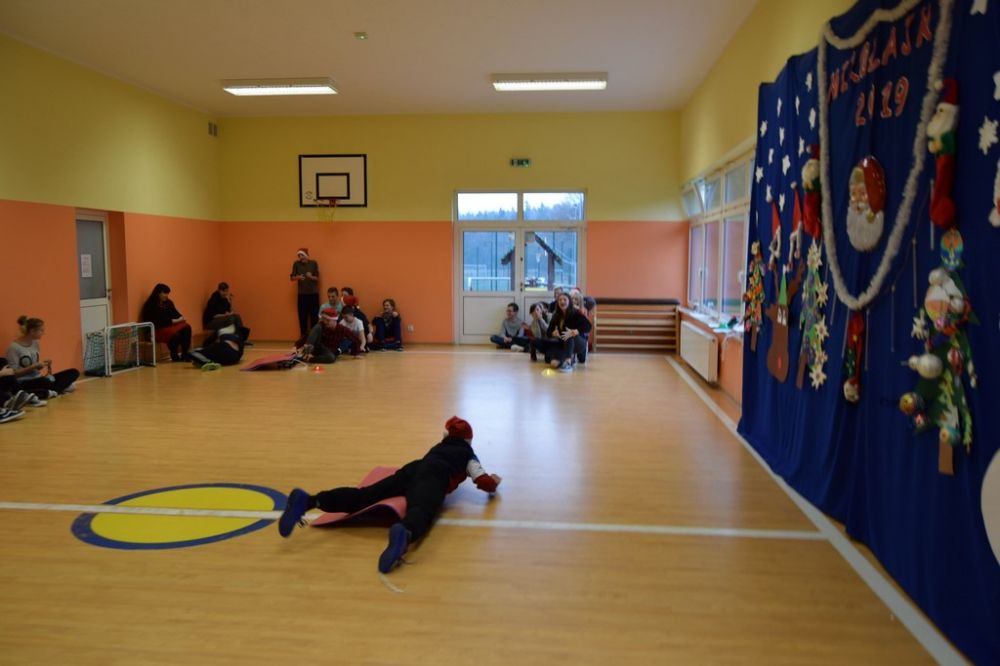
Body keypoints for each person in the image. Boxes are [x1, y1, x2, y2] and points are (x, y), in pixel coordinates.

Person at [278, 416, 501, 574]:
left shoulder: (439, 445)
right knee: (421, 510)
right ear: (469, 440)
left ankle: (310, 500)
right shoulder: (468, 454)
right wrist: (494, 482)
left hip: (412, 469)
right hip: (434, 478)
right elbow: (483, 482)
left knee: (363, 495)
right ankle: (404, 532)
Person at [6, 316, 81, 394]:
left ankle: (50, 391)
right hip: (24, 382)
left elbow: (36, 368)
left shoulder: (35, 343)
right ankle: (55, 390)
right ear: (32, 331)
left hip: (39, 378)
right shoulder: (13, 347)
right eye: (41, 330)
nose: (43, 333)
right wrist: (33, 367)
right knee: (47, 382)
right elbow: (14, 374)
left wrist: (42, 365)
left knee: (74, 372)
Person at [140, 283, 192, 361]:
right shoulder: (150, 304)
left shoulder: (168, 302)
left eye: (167, 293)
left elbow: (176, 314)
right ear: (158, 293)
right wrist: (177, 320)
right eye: (164, 293)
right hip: (156, 329)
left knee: (187, 327)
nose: (166, 295)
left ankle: (185, 354)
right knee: (175, 335)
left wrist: (181, 317)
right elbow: (160, 322)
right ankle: (174, 355)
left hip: (168, 326)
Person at [541, 292, 592, 371]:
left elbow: (588, 326)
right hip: (564, 343)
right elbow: (548, 332)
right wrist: (552, 333)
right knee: (550, 361)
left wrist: (576, 331)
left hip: (579, 342)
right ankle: (570, 358)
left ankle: (568, 362)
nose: (562, 301)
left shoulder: (575, 313)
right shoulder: (556, 316)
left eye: (565, 299)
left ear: (569, 302)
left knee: (568, 335)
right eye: (560, 300)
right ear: (558, 303)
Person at [298, 306, 364, 362]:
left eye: (328, 320)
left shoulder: (342, 329)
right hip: (316, 347)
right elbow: (309, 334)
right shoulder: (322, 325)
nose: (325, 322)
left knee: (331, 358)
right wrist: (296, 345)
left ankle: (308, 359)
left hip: (327, 352)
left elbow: (356, 339)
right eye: (324, 319)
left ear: (334, 320)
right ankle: (306, 352)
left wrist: (357, 353)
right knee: (317, 326)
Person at [290, 248, 321, 336]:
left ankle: (314, 338)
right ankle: (303, 338)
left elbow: (317, 278)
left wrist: (311, 277)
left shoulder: (313, 263)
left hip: (313, 294)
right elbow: (292, 277)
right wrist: (298, 277)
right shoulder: (296, 264)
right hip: (302, 295)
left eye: (302, 255)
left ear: (306, 255)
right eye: (299, 255)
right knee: (302, 317)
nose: (300, 257)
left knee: (314, 317)